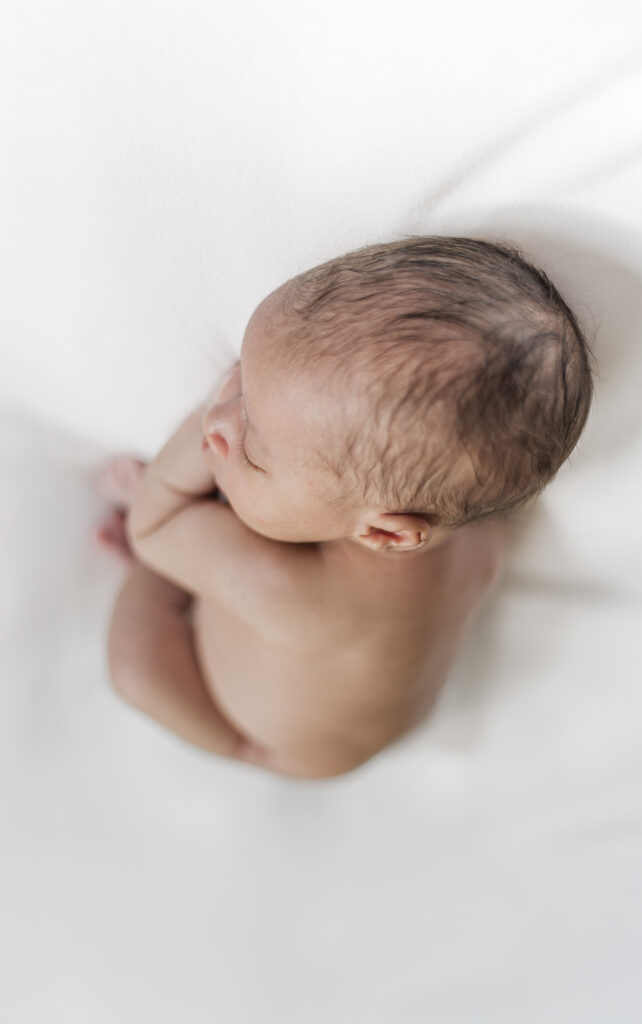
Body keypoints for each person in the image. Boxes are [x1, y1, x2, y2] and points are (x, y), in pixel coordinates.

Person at [96, 235, 595, 779]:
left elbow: (153, 524)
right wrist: (255, 447)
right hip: (370, 703)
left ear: (385, 533)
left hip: (282, 745)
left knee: (135, 673)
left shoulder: (296, 591)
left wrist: (174, 484)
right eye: (241, 381)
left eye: (256, 452)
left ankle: (236, 742)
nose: (219, 423)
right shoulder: (473, 519)